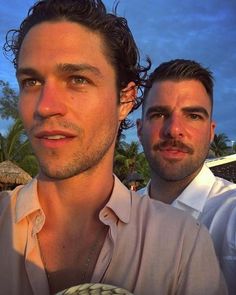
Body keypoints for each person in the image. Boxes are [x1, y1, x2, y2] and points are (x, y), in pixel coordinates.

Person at [0, 2, 227, 294]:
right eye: (31, 81)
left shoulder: (182, 246)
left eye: (77, 79)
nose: (45, 107)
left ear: (125, 100)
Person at [137, 58, 236, 294]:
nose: (174, 129)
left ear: (211, 133)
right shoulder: (121, 215)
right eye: (160, 114)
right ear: (140, 130)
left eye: (193, 116)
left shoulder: (230, 214)